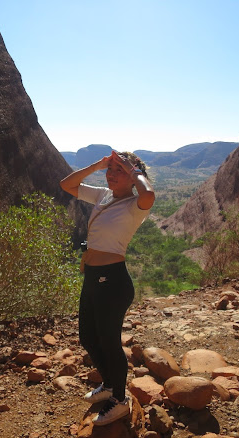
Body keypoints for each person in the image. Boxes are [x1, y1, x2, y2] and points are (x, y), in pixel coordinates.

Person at [60, 150, 155, 426]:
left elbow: (149, 194)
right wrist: (97, 164)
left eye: (118, 170)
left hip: (112, 281)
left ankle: (120, 400)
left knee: (110, 342)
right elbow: (67, 185)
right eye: (109, 169)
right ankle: (111, 386)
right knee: (88, 338)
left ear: (133, 176)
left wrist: (131, 167)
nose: (111, 174)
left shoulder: (136, 204)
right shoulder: (103, 194)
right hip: (92, 276)